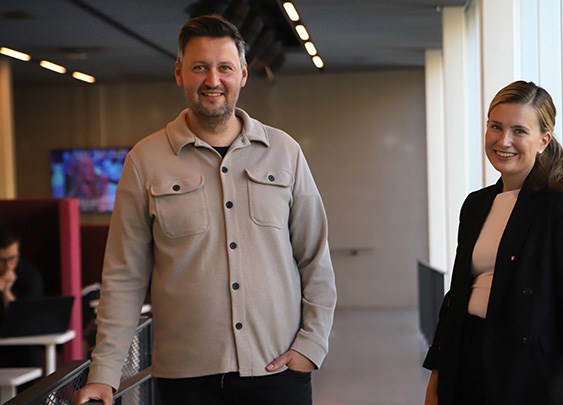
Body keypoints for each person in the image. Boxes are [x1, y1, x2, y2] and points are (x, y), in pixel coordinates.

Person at [73, 15, 336, 405]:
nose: (213, 80)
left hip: (277, 370)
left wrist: (311, 346)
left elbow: (315, 259)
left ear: (243, 74)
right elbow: (124, 277)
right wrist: (105, 375)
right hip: (186, 380)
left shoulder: (285, 152)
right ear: (179, 73)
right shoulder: (144, 161)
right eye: (200, 67)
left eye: (224, 68)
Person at [423, 81, 563, 405]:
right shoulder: (476, 204)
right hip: (467, 361)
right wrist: (436, 375)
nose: (503, 141)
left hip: (527, 371)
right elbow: (457, 296)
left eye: (519, 130)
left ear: (543, 140)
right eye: (496, 127)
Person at [0, 225, 45, 369]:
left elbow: (25, 323)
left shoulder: (28, 274)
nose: (8, 266)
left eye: (12, 258)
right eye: (1, 260)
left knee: (28, 352)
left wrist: (6, 292)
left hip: (21, 347)